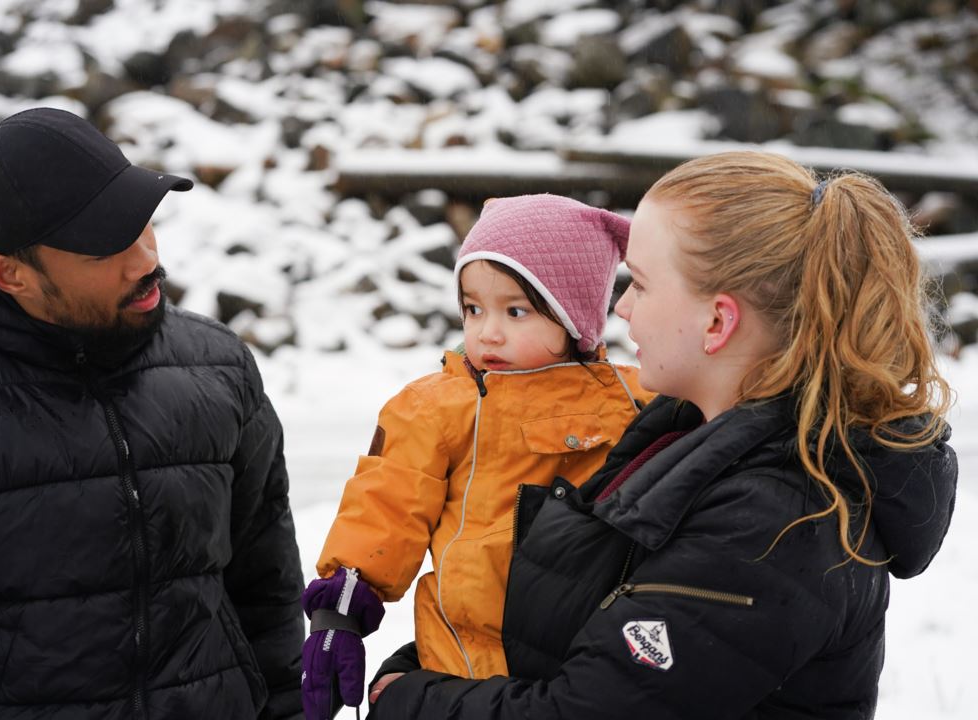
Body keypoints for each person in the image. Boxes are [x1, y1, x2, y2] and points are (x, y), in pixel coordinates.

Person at [366, 151, 958, 719]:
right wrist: (435, 660)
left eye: (641, 285)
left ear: (718, 321)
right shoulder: (675, 438)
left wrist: (410, 700)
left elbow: (590, 711)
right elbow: (576, 636)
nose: (622, 309)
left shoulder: (775, 523)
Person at [0, 108, 304, 719]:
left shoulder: (217, 367)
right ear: (10, 275)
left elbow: (266, 594)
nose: (144, 260)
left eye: (143, 225)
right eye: (103, 246)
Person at [299, 195, 654, 719]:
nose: (487, 332)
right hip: (460, 664)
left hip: (583, 665)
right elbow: (387, 504)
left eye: (516, 311)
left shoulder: (635, 402)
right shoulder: (441, 407)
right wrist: (341, 611)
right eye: (473, 308)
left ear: (574, 316)